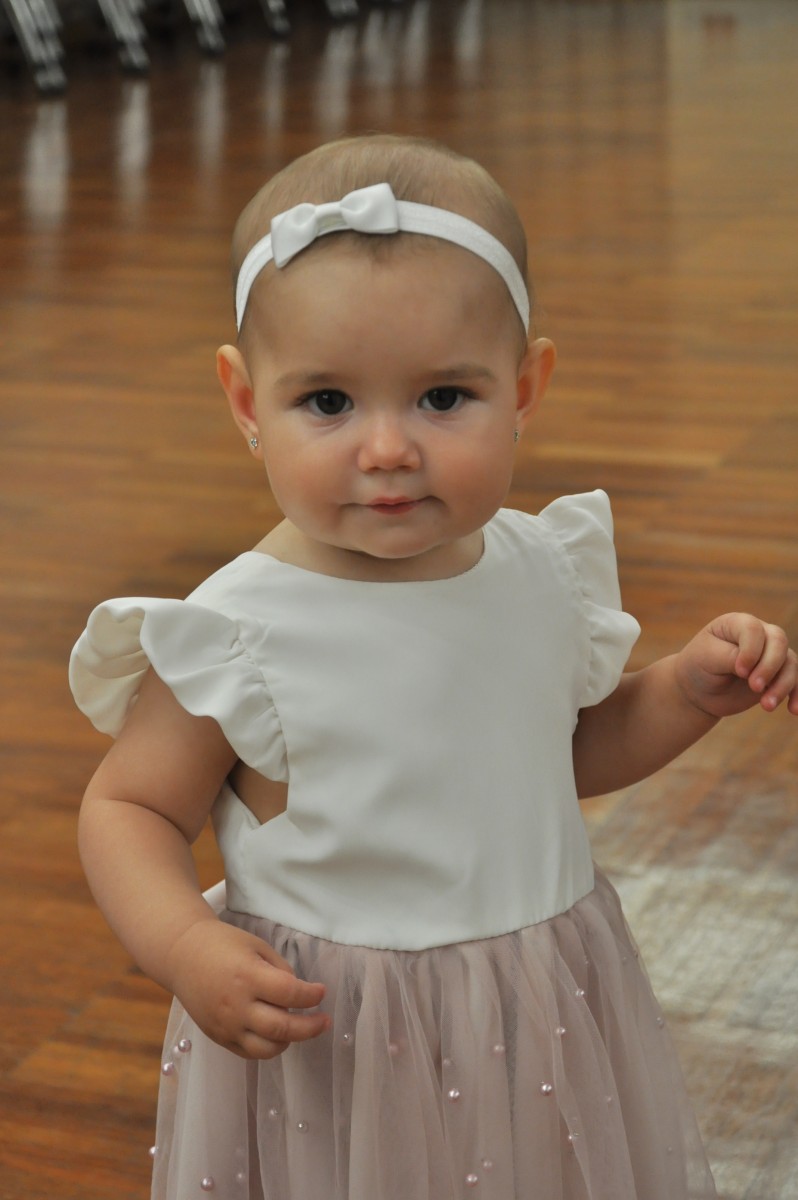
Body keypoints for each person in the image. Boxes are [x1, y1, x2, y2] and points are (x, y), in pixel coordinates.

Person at [70, 134, 797, 1200]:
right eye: (328, 403)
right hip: (341, 1032)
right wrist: (184, 944)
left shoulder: (538, 571)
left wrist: (684, 690)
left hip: (539, 1007)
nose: (387, 450)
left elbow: (559, 752)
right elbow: (127, 808)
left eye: (443, 398)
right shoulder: (234, 632)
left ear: (526, 385)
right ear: (246, 403)